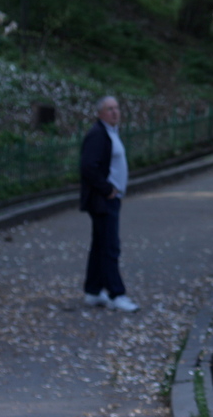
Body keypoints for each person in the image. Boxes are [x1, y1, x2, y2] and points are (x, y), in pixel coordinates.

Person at [79, 96, 139, 312]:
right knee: (109, 246)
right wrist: (108, 189)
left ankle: (93, 291)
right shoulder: (98, 135)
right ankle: (117, 294)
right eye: (109, 109)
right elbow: (88, 166)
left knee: (100, 245)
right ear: (100, 113)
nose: (114, 112)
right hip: (103, 200)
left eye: (116, 108)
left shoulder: (110, 133)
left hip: (111, 199)